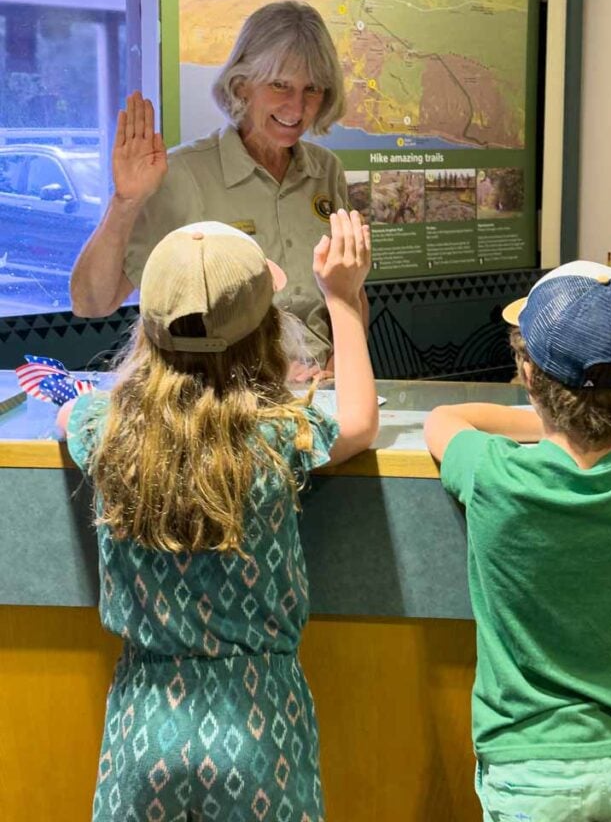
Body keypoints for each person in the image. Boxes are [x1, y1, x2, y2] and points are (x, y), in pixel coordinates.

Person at [58, 208, 377, 821]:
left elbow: (69, 415)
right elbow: (360, 421)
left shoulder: (107, 430)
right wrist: (342, 299)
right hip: (260, 719)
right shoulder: (278, 435)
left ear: (147, 333)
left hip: (145, 721)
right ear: (267, 330)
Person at [424, 197, 611, 822]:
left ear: (527, 372)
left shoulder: (494, 475)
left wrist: (549, 417)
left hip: (528, 769)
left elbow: (444, 419)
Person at [70, 0, 363, 381]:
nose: (297, 107)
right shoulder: (181, 174)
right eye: (280, 85)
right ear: (241, 86)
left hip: (319, 395)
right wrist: (125, 202)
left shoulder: (327, 171)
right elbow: (91, 303)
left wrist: (338, 368)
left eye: (312, 89)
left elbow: (351, 292)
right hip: (223, 400)